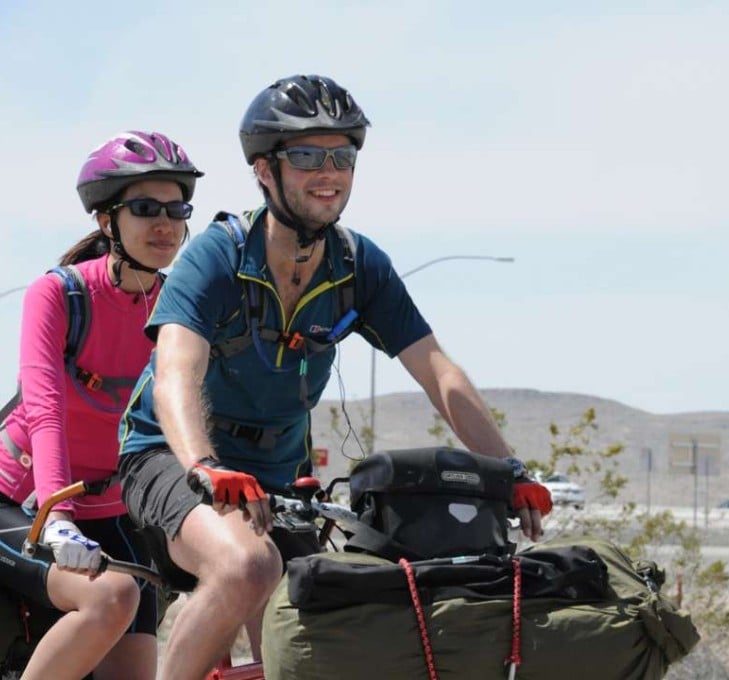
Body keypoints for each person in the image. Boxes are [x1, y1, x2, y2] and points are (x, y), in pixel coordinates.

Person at [115, 74, 552, 679]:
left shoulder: (358, 264)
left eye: (341, 155)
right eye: (305, 155)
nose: (328, 171)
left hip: (277, 473)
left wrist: (510, 471)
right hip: (170, 455)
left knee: (316, 629)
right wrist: (202, 465)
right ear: (265, 170)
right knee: (248, 567)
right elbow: (175, 374)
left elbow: (439, 373)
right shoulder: (219, 255)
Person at [0, 131, 202, 680]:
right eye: (144, 209)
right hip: (23, 499)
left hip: (112, 509)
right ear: (107, 221)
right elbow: (44, 407)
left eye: (176, 208)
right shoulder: (60, 293)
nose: (165, 224)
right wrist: (57, 519)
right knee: (111, 598)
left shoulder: (181, 306)